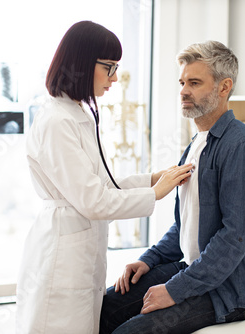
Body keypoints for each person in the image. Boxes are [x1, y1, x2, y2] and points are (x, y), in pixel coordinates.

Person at [15, 21, 192, 334]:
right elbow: (94, 201)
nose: (114, 77)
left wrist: (152, 179)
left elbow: (101, 185)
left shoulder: (78, 114)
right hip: (62, 255)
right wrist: (157, 193)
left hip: (80, 250)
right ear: (82, 62)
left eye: (117, 67)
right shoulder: (57, 121)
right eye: (109, 67)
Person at [100, 40, 245, 334]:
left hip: (233, 289)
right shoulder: (197, 144)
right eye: (182, 82)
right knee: (105, 306)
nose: (183, 90)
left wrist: (174, 290)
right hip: (197, 270)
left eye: (194, 82)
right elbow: (185, 225)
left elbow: (234, 239)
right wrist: (148, 260)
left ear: (224, 87)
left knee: (131, 332)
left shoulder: (242, 145)